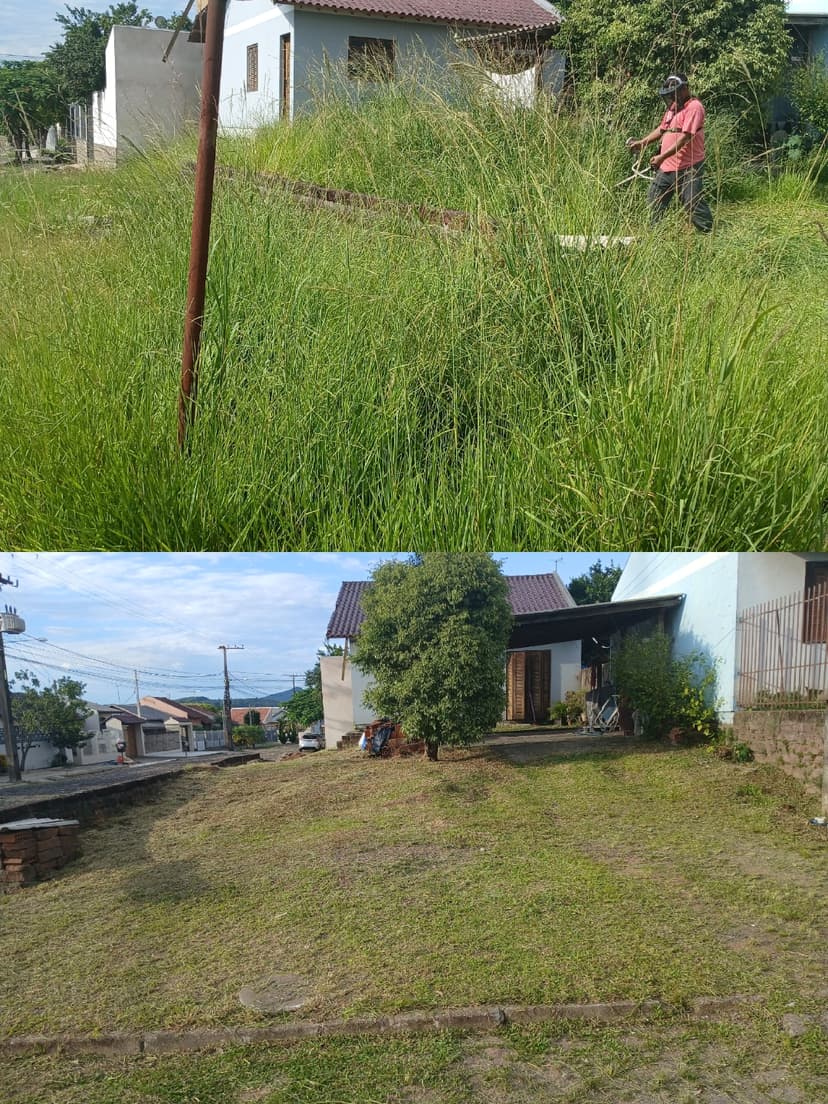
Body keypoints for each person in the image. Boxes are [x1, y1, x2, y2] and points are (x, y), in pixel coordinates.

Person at [627, 73, 713, 232]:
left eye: (675, 93)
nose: (672, 98)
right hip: (666, 167)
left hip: (688, 167)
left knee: (691, 202)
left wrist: (661, 157)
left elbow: (685, 138)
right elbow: (662, 129)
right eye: (669, 95)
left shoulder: (694, 107)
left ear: (684, 89)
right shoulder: (673, 109)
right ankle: (654, 236)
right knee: (654, 199)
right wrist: (642, 143)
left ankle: (707, 233)